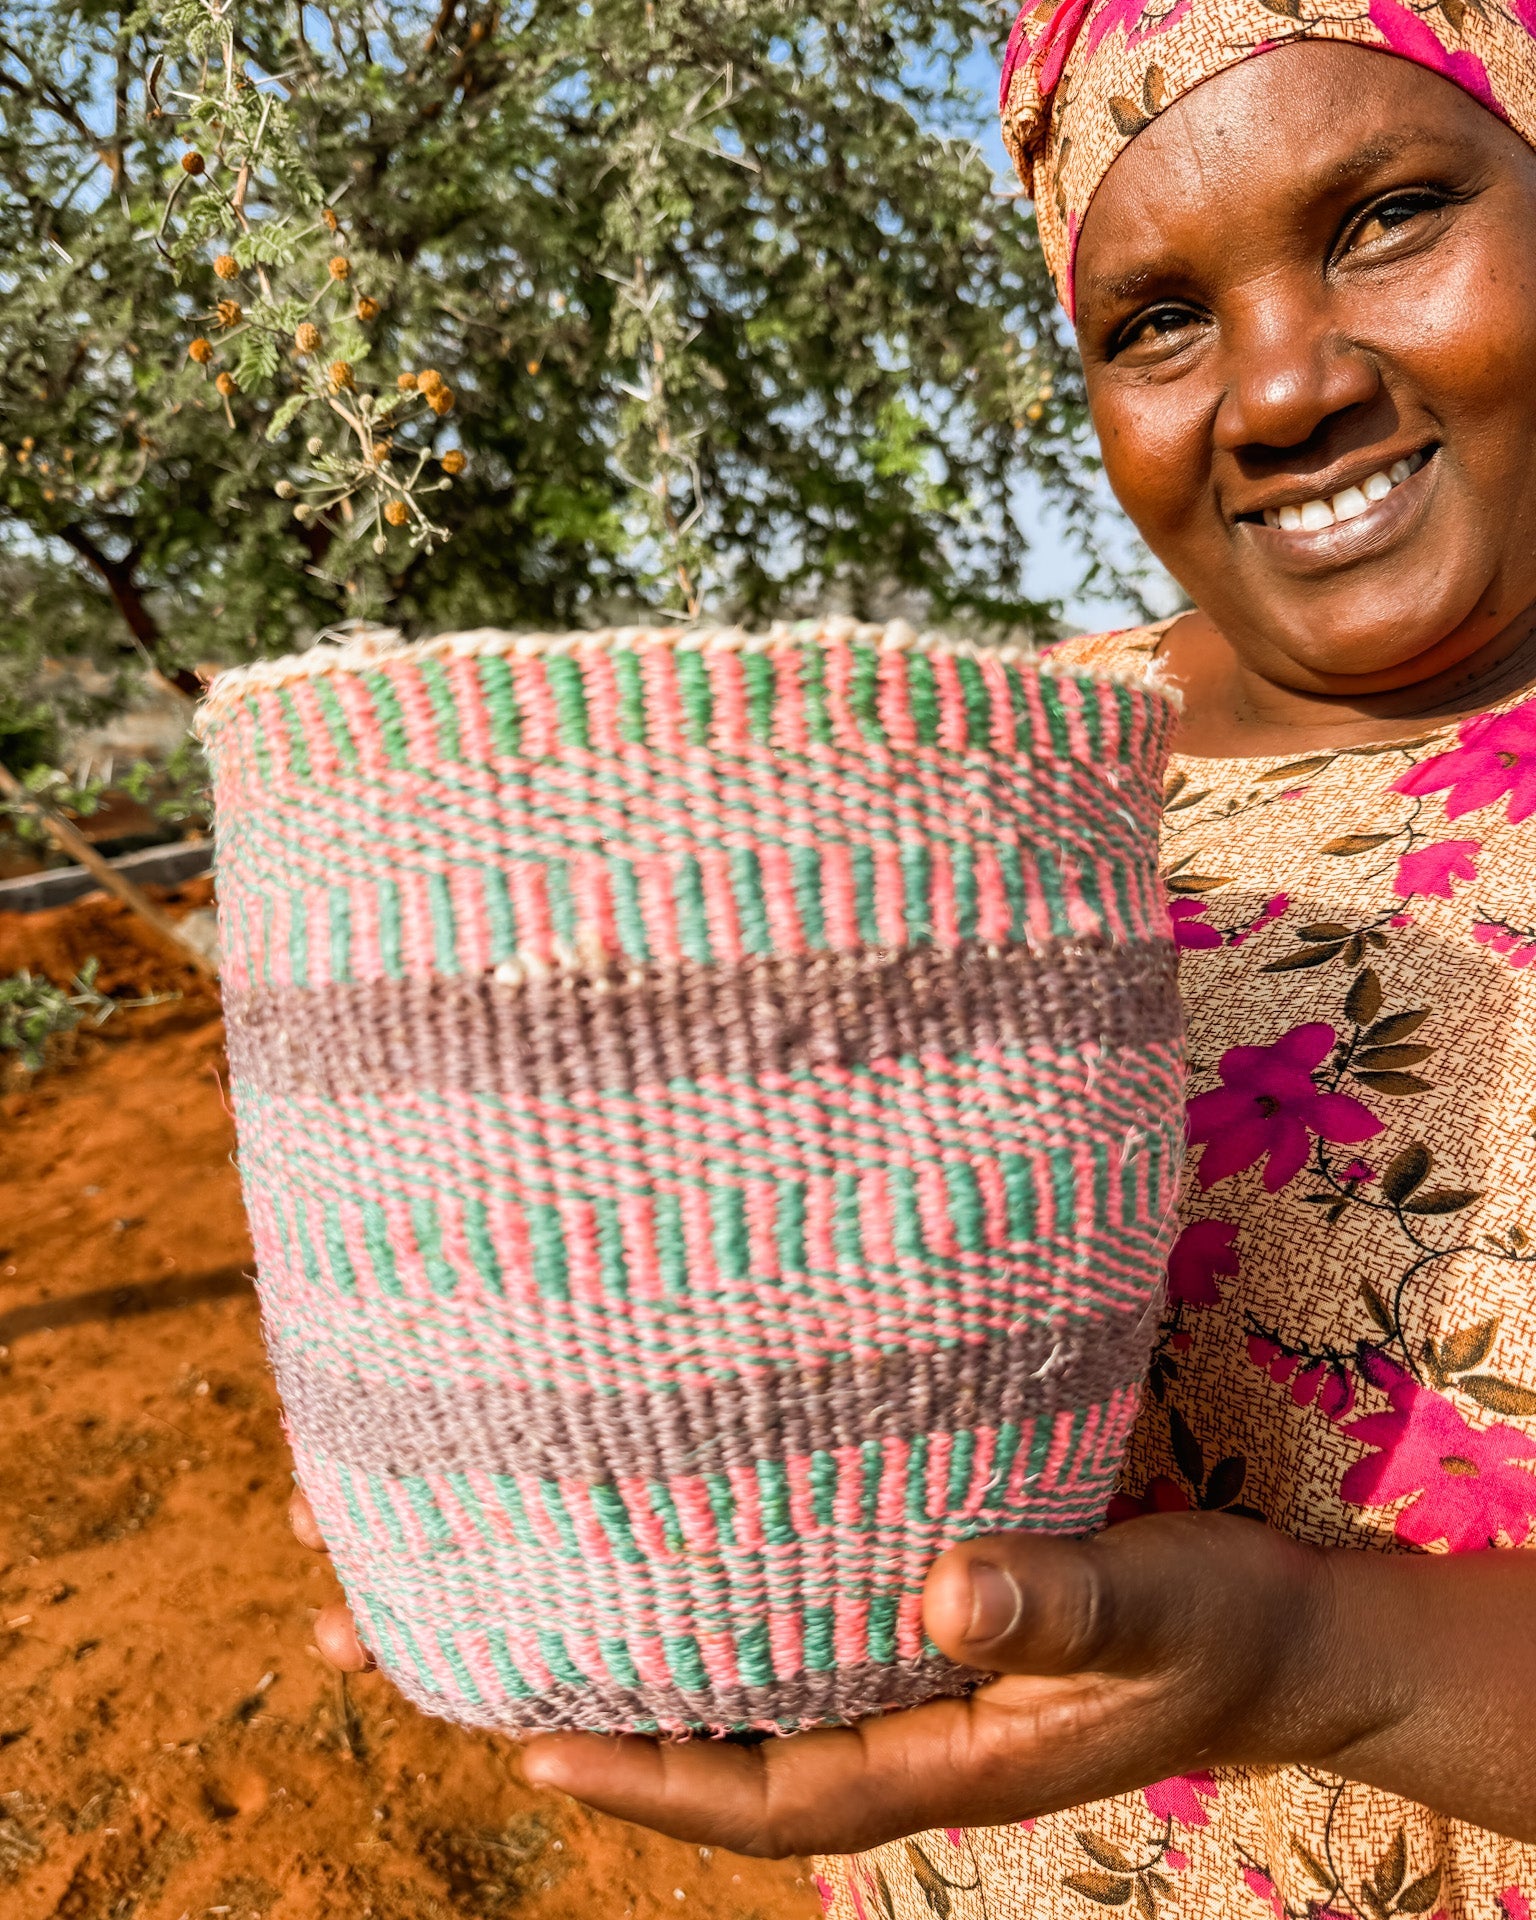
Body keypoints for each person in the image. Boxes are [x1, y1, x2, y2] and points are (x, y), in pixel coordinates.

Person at [291, 3, 1536, 1910]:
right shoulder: (977, 768)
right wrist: (498, 1392)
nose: (1281, 388)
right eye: (1157, 321)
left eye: (1386, 219)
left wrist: (1313, 1664)